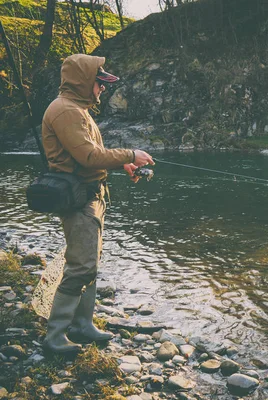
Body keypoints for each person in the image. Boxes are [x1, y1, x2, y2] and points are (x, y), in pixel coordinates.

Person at [41, 54, 154, 354]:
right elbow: (88, 157)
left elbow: (93, 155)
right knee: (81, 266)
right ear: (83, 81)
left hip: (90, 197)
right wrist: (131, 155)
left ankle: (82, 324)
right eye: (99, 82)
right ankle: (55, 336)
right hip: (79, 202)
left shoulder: (77, 109)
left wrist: (124, 167)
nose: (103, 88)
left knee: (89, 263)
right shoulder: (65, 111)